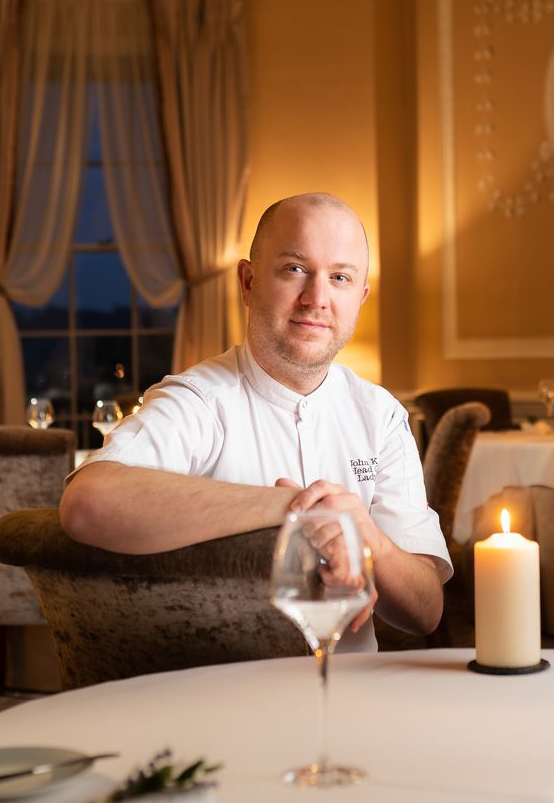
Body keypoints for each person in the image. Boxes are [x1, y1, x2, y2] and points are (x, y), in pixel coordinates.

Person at [59, 192, 447, 648]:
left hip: (349, 702)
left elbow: (426, 611)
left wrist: (367, 537)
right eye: (294, 269)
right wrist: (297, 510)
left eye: (339, 277)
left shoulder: (380, 415)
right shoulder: (197, 399)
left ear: (359, 299)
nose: (317, 298)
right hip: (219, 705)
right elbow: (87, 502)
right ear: (247, 282)